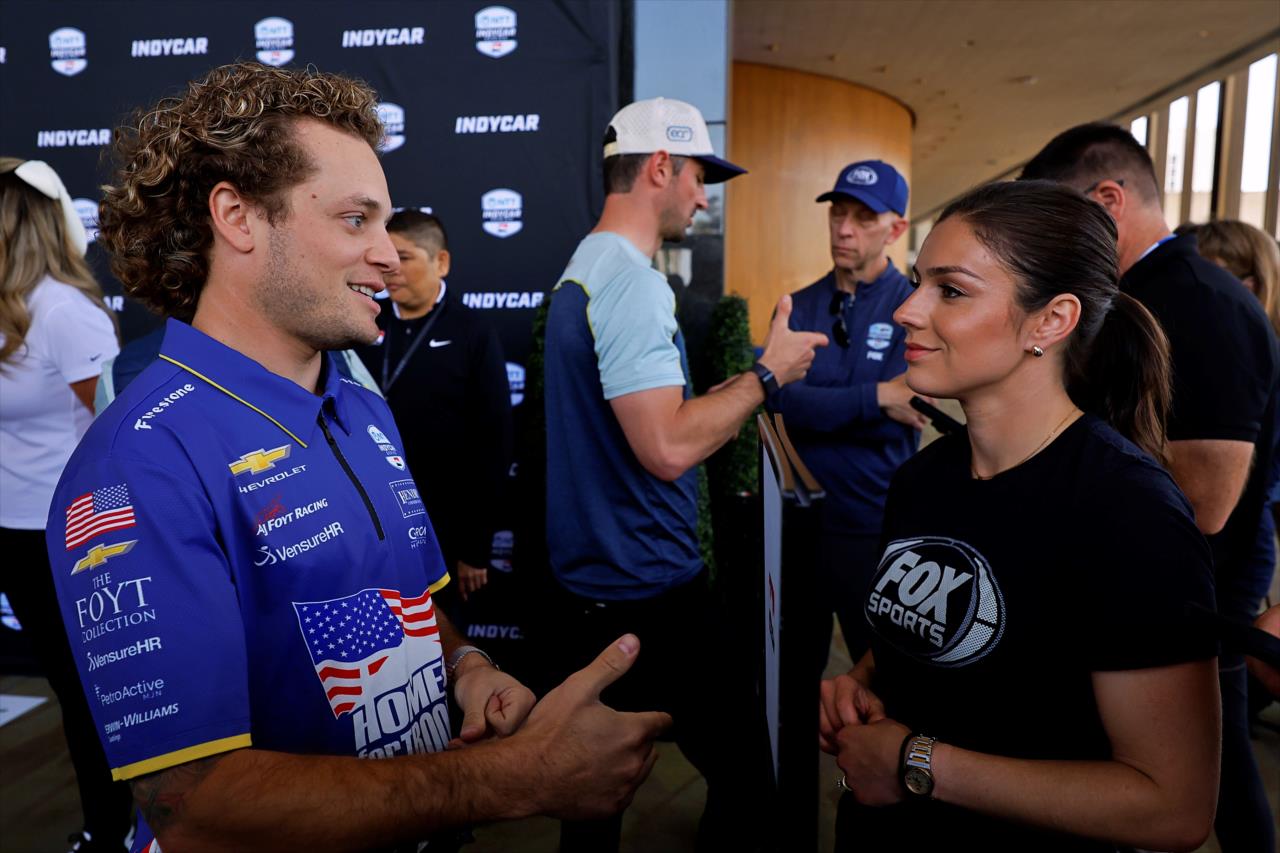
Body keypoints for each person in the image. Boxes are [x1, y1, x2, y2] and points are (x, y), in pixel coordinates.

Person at [45, 62, 670, 853]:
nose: (389, 254)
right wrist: (515, 777)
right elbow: (195, 807)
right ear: (237, 217)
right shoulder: (141, 461)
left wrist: (469, 667)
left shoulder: (359, 398)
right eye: (355, 221)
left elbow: (403, 604)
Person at [819, 180, 1220, 852]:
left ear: (1050, 320)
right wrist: (861, 679)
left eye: (950, 290)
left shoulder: (1129, 511)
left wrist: (916, 763)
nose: (909, 311)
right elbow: (936, 635)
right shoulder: (924, 477)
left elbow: (1172, 806)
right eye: (920, 282)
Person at [541, 96, 827, 852]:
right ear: (660, 167)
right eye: (699, 175)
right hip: (651, 591)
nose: (705, 196)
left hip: (598, 587)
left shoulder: (584, 269)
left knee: (591, 798)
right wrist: (768, 373)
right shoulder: (631, 283)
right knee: (752, 780)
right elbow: (666, 447)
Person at [1021, 125, 1279, 852]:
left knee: (1215, 787)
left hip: (1186, 610)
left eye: (1060, 216)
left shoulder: (1201, 302)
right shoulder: (1137, 294)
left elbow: (1204, 501)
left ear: (1109, 200)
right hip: (1130, 598)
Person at [0, 158, 132, 853]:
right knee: (68, 687)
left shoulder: (65, 311)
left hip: (68, 539)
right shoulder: (10, 303)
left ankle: (115, 831)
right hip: (12, 535)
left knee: (92, 696)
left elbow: (113, 443)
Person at [770, 160, 924, 673]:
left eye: (862, 216)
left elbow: (908, 405)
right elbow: (781, 403)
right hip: (800, 524)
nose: (844, 228)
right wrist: (875, 396)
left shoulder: (914, 309)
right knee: (792, 678)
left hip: (873, 528)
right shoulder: (801, 306)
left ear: (896, 228)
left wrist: (826, 399)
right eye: (838, 213)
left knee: (881, 678)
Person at [356, 210, 512, 614]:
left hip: (446, 527)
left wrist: (475, 547)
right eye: (386, 256)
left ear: (440, 262)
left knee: (445, 641)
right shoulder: (362, 322)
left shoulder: (472, 331)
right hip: (374, 524)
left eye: (404, 257)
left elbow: (494, 442)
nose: (391, 267)